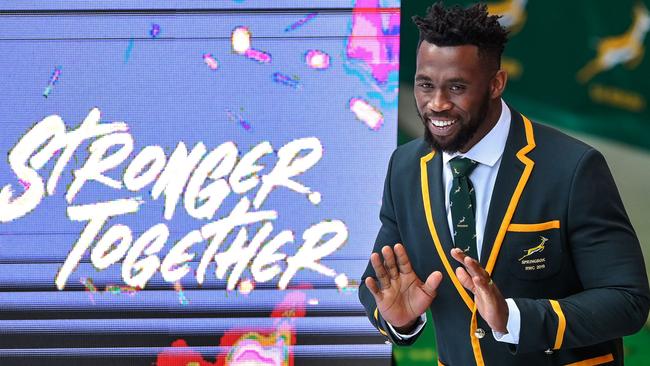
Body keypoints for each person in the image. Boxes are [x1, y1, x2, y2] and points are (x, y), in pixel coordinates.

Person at [358, 2, 650, 365]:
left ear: (496, 84)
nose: (436, 104)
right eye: (425, 85)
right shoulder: (405, 166)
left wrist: (514, 318)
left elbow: (627, 300)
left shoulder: (574, 168)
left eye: (457, 87)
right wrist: (399, 319)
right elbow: (380, 283)